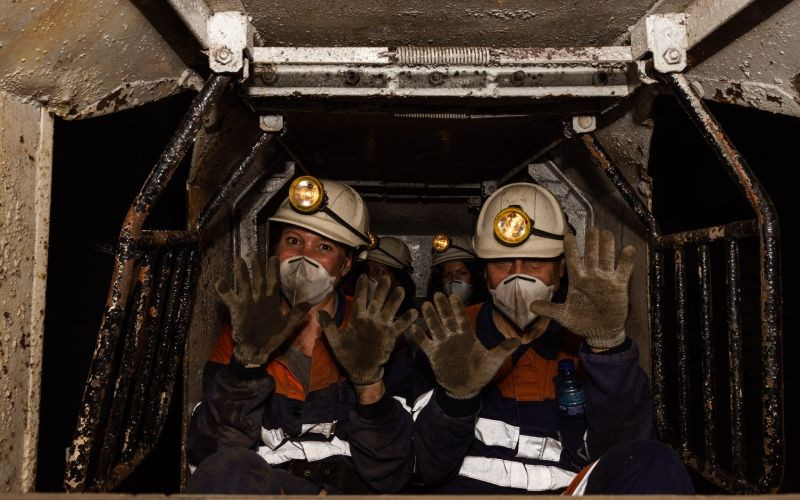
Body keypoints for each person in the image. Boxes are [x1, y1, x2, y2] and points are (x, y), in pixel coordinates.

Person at [411, 182, 693, 494]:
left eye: (536, 262)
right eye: (502, 262)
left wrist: (607, 346)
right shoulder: (453, 337)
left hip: (565, 490)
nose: (517, 276)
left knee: (656, 460)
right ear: (485, 271)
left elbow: (623, 450)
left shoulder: (583, 342)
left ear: (561, 269)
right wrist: (455, 400)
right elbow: (428, 467)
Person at [186, 176, 417, 494]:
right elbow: (212, 455)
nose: (305, 257)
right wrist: (246, 366)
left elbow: (392, 471)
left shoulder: (376, 335)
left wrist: (369, 387)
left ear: (345, 265)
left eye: (324, 247)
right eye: (294, 241)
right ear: (276, 248)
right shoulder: (243, 330)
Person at [427, 234, 486, 306]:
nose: (454, 279)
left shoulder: (488, 313)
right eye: (446, 275)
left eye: (462, 273)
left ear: (475, 276)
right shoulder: (433, 315)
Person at [363, 236, 416, 314]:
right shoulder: (349, 309)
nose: (370, 277)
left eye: (379, 272)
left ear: (399, 280)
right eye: (366, 271)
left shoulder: (408, 318)